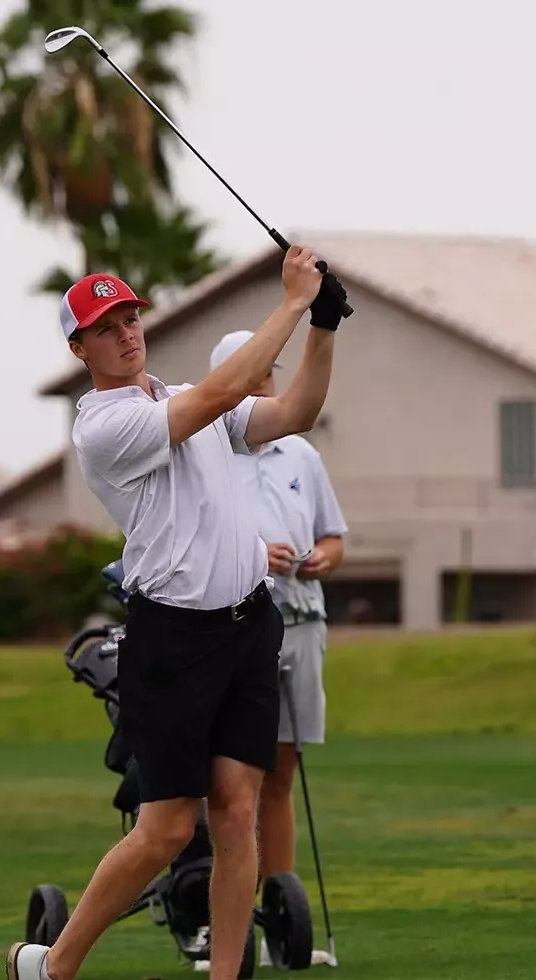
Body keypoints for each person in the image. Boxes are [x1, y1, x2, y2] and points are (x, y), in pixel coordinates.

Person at [5, 247, 351, 980]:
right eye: (105, 327)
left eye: (130, 318)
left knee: (236, 811)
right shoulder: (108, 425)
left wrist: (325, 327)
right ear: (79, 349)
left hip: (247, 625)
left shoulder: (182, 398)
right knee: (165, 830)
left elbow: (288, 412)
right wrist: (293, 302)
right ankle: (51, 972)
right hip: (173, 637)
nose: (126, 333)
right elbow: (231, 389)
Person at [205, 330, 348, 936]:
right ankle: (226, 911)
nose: (266, 380)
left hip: (301, 619)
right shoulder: (205, 448)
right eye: (255, 369)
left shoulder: (301, 454)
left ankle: (280, 913)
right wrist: (256, 554)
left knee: (282, 773)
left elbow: (334, 536)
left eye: (270, 370)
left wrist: (322, 557)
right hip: (232, 624)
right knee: (235, 777)